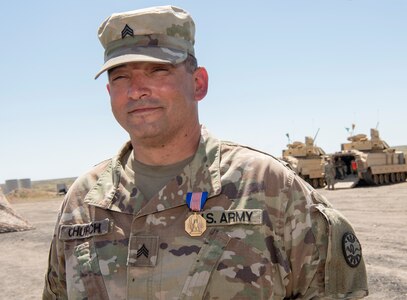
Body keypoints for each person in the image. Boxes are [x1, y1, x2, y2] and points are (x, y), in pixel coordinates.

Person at [43, 5, 368, 299]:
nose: (137, 90)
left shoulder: (269, 187)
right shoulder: (82, 202)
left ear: (199, 83)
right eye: (121, 76)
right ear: (109, 92)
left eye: (158, 71)